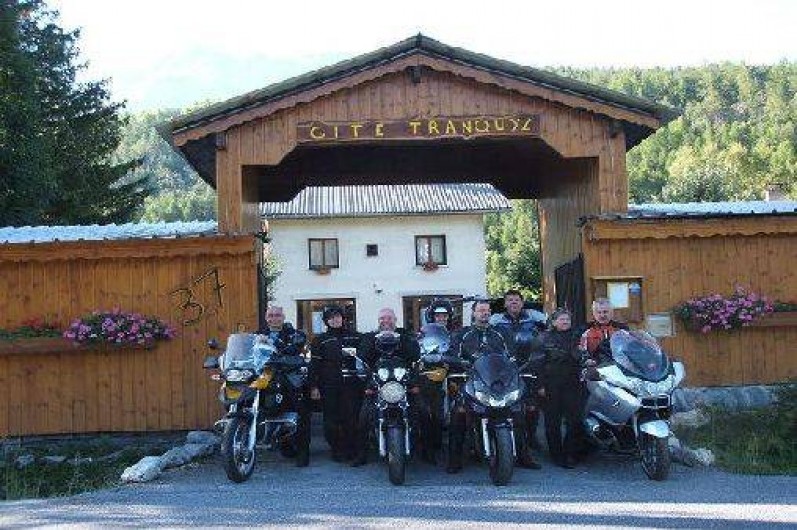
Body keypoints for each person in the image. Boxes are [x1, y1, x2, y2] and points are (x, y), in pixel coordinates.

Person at [447, 299, 540, 473]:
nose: (485, 313)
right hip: (472, 380)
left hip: (498, 383)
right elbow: (452, 355)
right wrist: (459, 363)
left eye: (488, 310)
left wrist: (519, 367)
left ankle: (524, 455)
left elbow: (512, 355)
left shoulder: (501, 332)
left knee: (518, 412)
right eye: (481, 310)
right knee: (459, 414)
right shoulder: (462, 334)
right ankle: (455, 459)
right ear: (473, 313)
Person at [351, 308, 420, 466]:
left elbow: (415, 358)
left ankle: (426, 452)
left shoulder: (405, 336)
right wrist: (367, 384)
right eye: (382, 318)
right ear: (378, 320)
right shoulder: (370, 337)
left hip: (403, 384)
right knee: (363, 418)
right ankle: (361, 455)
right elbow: (362, 360)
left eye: (389, 318)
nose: (386, 321)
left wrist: (414, 384)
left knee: (422, 412)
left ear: (396, 320)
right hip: (378, 385)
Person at [489, 290, 547, 454]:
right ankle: (507, 439)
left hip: (530, 364)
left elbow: (547, 333)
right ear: (505, 303)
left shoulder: (534, 317)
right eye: (510, 300)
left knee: (532, 406)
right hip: (505, 366)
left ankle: (531, 436)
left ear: (522, 302)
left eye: (516, 300)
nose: (513, 302)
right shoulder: (496, 320)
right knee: (510, 404)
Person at [308, 305, 365, 463]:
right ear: (326, 321)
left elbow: (367, 355)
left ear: (343, 318)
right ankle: (337, 449)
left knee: (352, 418)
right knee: (331, 420)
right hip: (329, 384)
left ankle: (352, 449)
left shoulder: (356, 337)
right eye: (331, 318)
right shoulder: (320, 340)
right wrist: (313, 386)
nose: (335, 320)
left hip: (352, 384)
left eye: (338, 316)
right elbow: (314, 365)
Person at [538, 308, 584, 469]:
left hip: (572, 382)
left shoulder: (577, 336)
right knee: (552, 422)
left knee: (574, 420)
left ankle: (570, 452)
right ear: (554, 322)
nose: (565, 322)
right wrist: (540, 385)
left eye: (568, 320)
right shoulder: (543, 338)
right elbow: (538, 364)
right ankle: (556, 455)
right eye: (562, 319)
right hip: (551, 383)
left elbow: (583, 356)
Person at [580, 298, 629, 365]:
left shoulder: (622, 328)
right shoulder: (584, 329)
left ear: (611, 312)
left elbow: (630, 347)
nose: (602, 315)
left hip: (619, 364)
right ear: (594, 313)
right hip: (595, 365)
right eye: (599, 312)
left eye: (605, 312)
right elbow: (578, 349)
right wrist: (586, 359)